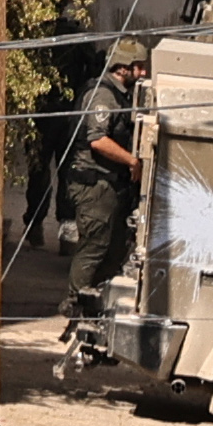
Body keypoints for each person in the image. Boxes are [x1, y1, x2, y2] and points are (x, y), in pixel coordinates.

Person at [63, 37, 149, 322]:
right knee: (94, 245)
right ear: (122, 67)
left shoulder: (120, 94)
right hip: (93, 183)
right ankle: (76, 304)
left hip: (109, 183)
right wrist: (132, 161)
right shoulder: (103, 96)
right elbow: (98, 140)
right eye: (138, 67)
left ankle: (95, 301)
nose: (143, 73)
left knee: (114, 247)